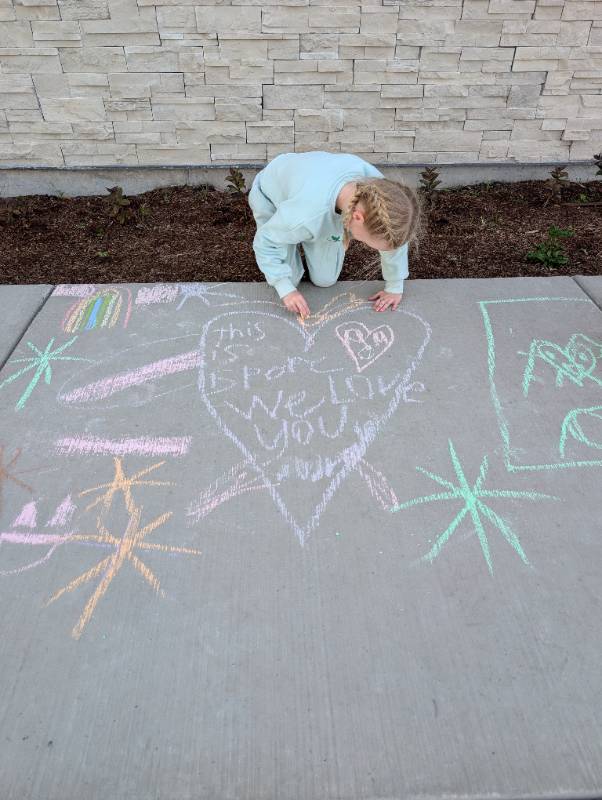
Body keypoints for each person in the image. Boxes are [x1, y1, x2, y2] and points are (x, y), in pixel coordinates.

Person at [247, 150, 424, 317]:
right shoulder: (305, 215)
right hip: (273, 197)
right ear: (357, 217)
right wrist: (285, 289)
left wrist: (394, 286)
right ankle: (292, 238)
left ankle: (303, 235)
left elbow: (393, 239)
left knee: (325, 280)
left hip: (310, 195)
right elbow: (265, 242)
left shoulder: (383, 197)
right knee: (290, 280)